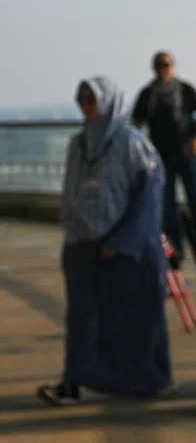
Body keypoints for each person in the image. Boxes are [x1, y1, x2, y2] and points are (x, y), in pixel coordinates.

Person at [37, 77, 172, 405]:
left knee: (129, 318)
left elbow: (150, 193)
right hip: (82, 244)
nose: (87, 106)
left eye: (92, 99)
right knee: (82, 317)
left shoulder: (131, 142)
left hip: (121, 249)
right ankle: (73, 382)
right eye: (82, 99)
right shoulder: (78, 143)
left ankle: (141, 381)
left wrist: (124, 240)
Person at [130, 51, 196, 260]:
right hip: (161, 157)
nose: (163, 69)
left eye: (167, 64)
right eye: (159, 65)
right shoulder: (147, 94)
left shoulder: (185, 89)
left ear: (173, 66)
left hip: (188, 152)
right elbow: (135, 124)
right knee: (167, 204)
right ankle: (175, 250)